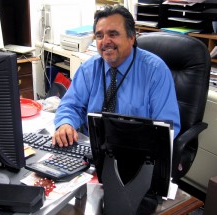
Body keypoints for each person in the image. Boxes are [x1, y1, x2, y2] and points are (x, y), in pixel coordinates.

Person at [52, 5, 180, 147]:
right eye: (99, 35)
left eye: (113, 34)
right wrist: (65, 124)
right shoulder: (89, 69)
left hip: (138, 151)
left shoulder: (155, 71)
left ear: (132, 37)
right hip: (92, 149)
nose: (105, 41)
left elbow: (167, 127)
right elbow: (70, 105)